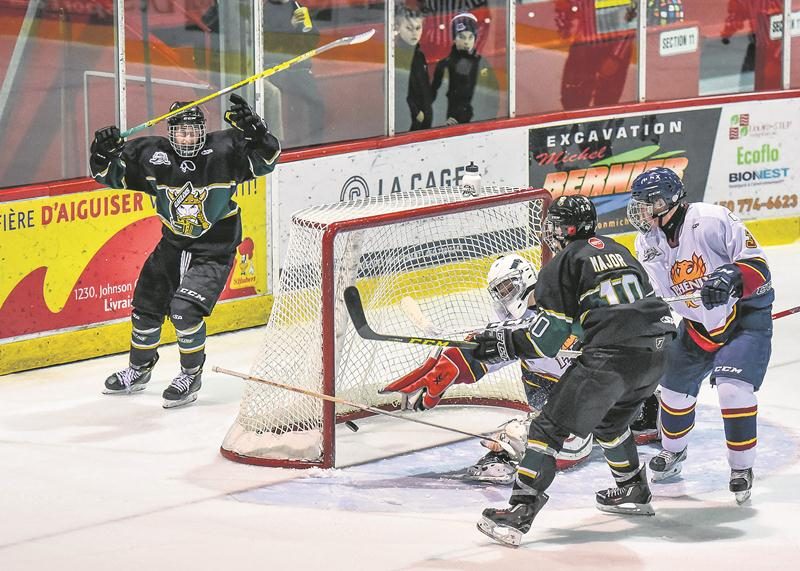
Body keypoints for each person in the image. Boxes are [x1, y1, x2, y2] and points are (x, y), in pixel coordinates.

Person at [466, 195, 676, 547]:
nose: (550, 232)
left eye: (554, 225)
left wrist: (501, 343)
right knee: (610, 423)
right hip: (658, 352)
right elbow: (615, 307)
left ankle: (520, 511)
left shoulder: (561, 263)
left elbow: (546, 341)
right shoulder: (618, 249)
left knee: (547, 429)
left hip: (613, 357)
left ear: (565, 229)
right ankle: (632, 488)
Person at [89, 94, 281, 408]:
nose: (188, 137)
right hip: (172, 245)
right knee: (145, 308)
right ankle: (139, 370)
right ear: (170, 132)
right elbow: (108, 175)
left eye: (193, 131)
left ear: (203, 131)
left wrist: (258, 133)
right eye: (181, 131)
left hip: (214, 249)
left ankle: (190, 375)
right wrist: (102, 152)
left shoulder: (225, 150)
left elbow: (266, 160)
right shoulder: (153, 155)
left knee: (184, 311)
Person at [627, 167, 773, 504]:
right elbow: (657, 296)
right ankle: (674, 453)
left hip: (744, 319)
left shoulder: (711, 219)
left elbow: (758, 267)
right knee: (673, 392)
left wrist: (729, 277)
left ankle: (740, 469)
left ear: (672, 201)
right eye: (640, 205)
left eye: (651, 204)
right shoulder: (645, 242)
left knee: (732, 390)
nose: (643, 212)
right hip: (697, 326)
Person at [382, 254, 593, 485]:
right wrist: (447, 368)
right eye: (499, 291)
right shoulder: (515, 328)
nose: (505, 295)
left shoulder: (564, 305)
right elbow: (485, 356)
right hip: (565, 411)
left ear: (526, 278)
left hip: (594, 400)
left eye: (507, 287)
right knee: (517, 433)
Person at [431, 12, 496, 126]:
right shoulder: (444, 64)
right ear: (454, 39)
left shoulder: (482, 64)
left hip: (478, 122)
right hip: (450, 121)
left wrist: (486, 118)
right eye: (461, 37)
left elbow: (490, 95)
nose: (466, 41)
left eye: (470, 37)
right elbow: (434, 95)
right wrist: (441, 121)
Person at [395, 5, 434, 132]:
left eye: (418, 28)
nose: (414, 33)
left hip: (424, 116)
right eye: (409, 28)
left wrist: (427, 109)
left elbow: (424, 85)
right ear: (398, 28)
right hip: (408, 120)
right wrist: (415, 112)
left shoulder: (419, 55)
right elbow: (397, 92)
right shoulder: (396, 56)